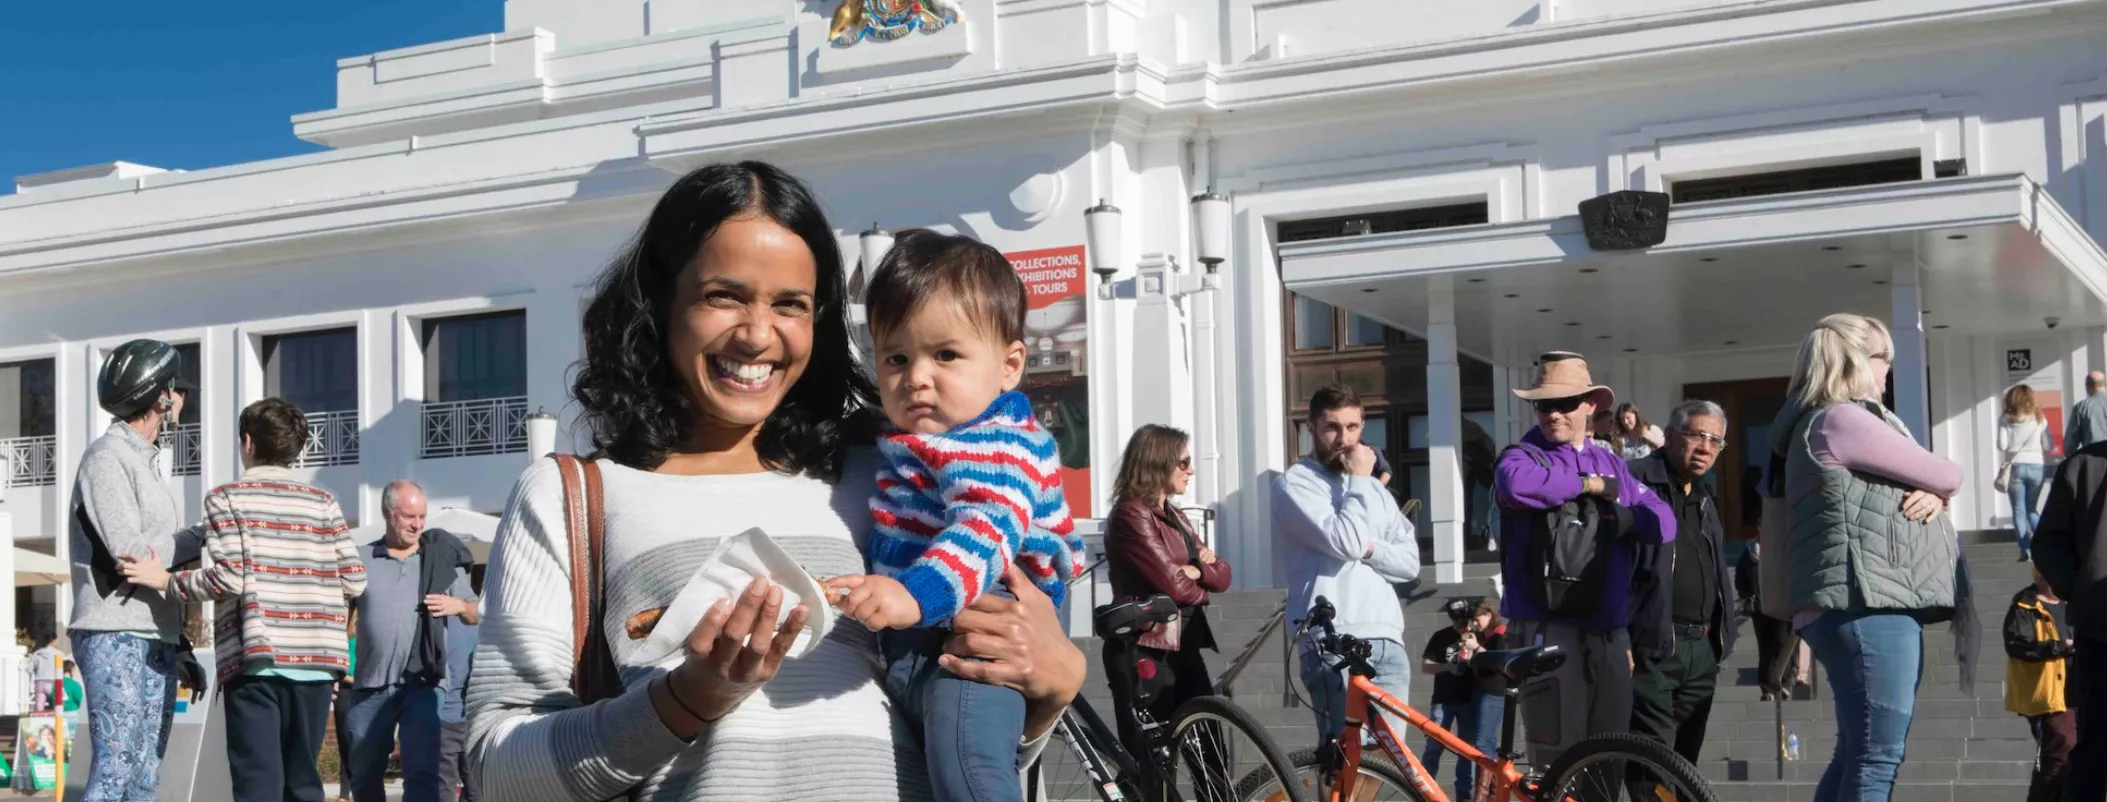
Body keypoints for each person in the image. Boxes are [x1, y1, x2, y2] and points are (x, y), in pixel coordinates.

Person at [465, 161, 1085, 802]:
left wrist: (1053, 687)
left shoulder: (887, 472)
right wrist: (686, 700)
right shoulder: (573, 497)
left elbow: (958, 724)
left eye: (790, 305)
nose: (759, 335)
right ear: (661, 303)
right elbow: (494, 770)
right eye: (722, 296)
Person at [823, 229, 1083, 802]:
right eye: (896, 357)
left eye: (945, 355)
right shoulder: (915, 438)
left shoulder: (996, 445)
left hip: (983, 635)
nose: (917, 376)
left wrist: (911, 595)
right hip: (928, 636)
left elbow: (985, 530)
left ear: (1010, 365)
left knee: (970, 771)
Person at [117, 398, 368, 802]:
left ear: (247, 442)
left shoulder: (227, 498)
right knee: (304, 783)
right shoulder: (323, 503)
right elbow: (355, 580)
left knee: (257, 782)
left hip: (258, 657)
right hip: (318, 661)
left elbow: (228, 578)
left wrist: (165, 579)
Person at [1768, 312, 1966, 802]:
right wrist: (1939, 489)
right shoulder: (1843, 419)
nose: (1887, 373)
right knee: (1877, 760)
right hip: (1867, 602)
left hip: (1847, 602)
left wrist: (1934, 495)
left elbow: (1913, 485)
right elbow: (1947, 471)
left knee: (1856, 752)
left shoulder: (1810, 422)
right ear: (1857, 360)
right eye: (1884, 360)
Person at [1493, 350, 1674, 766]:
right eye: (1543, 405)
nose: (1553, 414)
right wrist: (1591, 485)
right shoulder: (1521, 457)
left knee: (1609, 762)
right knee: (1556, 762)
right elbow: (1516, 484)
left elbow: (1664, 523)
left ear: (1590, 405)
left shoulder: (1612, 462)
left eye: (1565, 404)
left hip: (1609, 634)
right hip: (1546, 629)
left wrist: (1623, 515)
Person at [67, 338, 203, 802]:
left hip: (154, 634)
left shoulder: (144, 463)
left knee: (144, 776)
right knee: (116, 770)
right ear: (161, 397)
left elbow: (156, 564)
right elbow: (131, 555)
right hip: (113, 631)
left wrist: (179, 640)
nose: (181, 397)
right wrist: (198, 537)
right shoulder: (107, 459)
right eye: (175, 387)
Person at [1273, 383, 1421, 746]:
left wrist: (1371, 550)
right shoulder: (1296, 484)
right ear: (1311, 428)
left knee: (1389, 760)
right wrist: (1359, 480)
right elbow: (1345, 541)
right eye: (1333, 427)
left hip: (1386, 637)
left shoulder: (1372, 489)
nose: (1344, 438)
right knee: (1343, 761)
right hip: (1333, 639)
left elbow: (1410, 564)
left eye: (1353, 427)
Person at [1102, 424, 1231, 759]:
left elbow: (1223, 574)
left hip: (1184, 646)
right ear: (1158, 463)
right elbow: (1173, 586)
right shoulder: (1131, 514)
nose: (1191, 470)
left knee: (1212, 754)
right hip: (1147, 648)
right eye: (1184, 462)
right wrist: (1196, 574)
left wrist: (1199, 569)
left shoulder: (1174, 515)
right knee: (1155, 764)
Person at [346, 480, 477, 802]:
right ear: (388, 514)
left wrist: (458, 606)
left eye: (422, 516)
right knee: (363, 776)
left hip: (424, 683)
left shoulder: (440, 560)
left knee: (423, 776)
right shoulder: (360, 559)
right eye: (409, 517)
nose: (417, 524)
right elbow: (340, 617)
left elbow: (476, 612)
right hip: (370, 685)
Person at [1625, 400, 1737, 765]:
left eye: (1716, 441)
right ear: (1670, 436)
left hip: (1701, 649)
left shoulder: (1703, 495)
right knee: (1653, 759)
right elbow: (1605, 563)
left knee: (1685, 765)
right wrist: (1620, 635)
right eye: (1697, 435)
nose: (1706, 447)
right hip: (1652, 646)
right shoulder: (1634, 480)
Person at [2032, 434, 2107, 802]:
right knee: (2095, 751)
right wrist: (2084, 591)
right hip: (2102, 633)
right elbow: (2048, 543)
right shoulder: (2083, 466)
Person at [1419, 598, 1506, 802]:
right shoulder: (1441, 636)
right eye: (1458, 621)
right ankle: (1422, 790)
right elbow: (1425, 666)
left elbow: (1494, 656)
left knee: (1467, 751)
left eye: (1466, 620)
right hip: (1443, 699)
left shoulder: (1478, 636)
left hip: (1468, 699)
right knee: (1434, 748)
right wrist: (1447, 667)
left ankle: (1464, 796)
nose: (1463, 624)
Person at [2003, 571, 2075, 802]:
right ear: (2038, 577)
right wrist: (2059, 646)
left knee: (2077, 757)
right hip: (2047, 696)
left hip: (2081, 689)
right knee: (2060, 753)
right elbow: (2017, 644)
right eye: (2046, 576)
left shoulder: (2074, 602)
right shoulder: (2024, 606)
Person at [437, 574, 480, 802]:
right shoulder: (480, 617)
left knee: (443, 785)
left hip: (443, 715)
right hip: (472, 715)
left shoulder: (435, 619)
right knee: (476, 786)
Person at [2002, 385, 2053, 562]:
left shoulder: (2006, 419)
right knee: (2032, 509)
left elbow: (2001, 445)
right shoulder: (2040, 419)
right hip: (2037, 466)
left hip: (2015, 466)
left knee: (2018, 509)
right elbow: (2047, 445)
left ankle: (2025, 549)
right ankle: (2045, 545)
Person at [2067, 371, 2107, 454]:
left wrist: (2070, 459)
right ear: (2105, 385)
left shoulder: (2081, 407)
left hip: (2093, 457)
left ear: (2088, 386)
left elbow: (2071, 440)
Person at [28, 635, 63, 711]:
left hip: (39, 683)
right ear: (53, 641)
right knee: (57, 708)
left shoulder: (37, 653)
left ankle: (39, 722)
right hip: (53, 683)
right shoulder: (59, 654)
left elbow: (29, 669)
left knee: (39, 709)